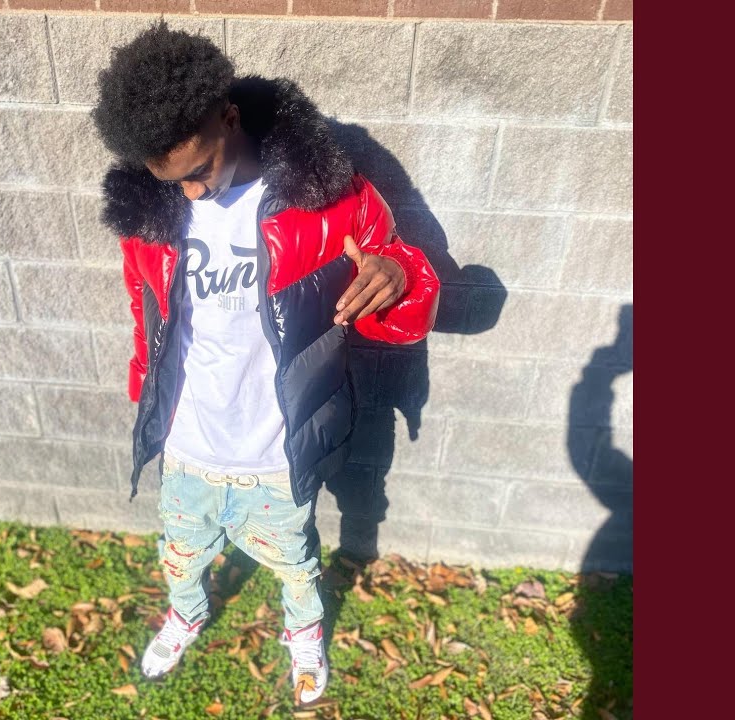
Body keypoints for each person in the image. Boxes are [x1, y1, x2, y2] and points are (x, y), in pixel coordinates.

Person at [92, 21, 441, 705]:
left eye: (199, 170)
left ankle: (304, 634)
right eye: (172, 181)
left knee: (295, 562)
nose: (192, 194)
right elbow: (147, 312)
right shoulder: (153, 214)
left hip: (274, 451)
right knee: (179, 554)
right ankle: (186, 614)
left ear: (229, 118)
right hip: (189, 444)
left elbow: (402, 301)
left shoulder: (327, 198)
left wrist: (399, 276)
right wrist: (146, 395)